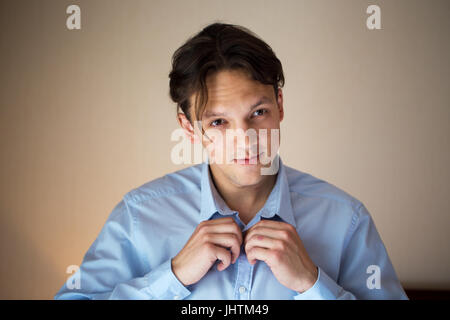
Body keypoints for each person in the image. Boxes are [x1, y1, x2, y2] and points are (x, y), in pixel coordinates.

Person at [54, 22, 408, 300]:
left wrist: (312, 285)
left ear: (280, 106)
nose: (246, 138)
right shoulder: (137, 217)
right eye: (218, 122)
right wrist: (171, 277)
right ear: (189, 128)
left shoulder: (347, 221)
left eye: (258, 112)